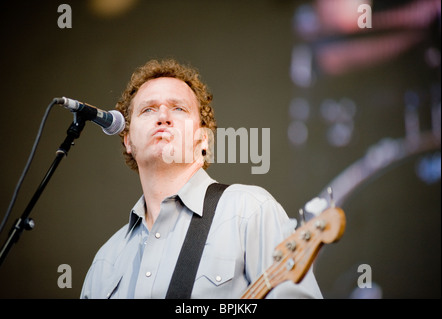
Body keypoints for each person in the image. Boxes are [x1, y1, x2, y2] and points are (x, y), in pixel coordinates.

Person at [80, 58, 323, 299]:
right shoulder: (105, 261)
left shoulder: (249, 211)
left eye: (178, 108)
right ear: (128, 140)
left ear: (203, 139)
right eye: (148, 109)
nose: (163, 117)